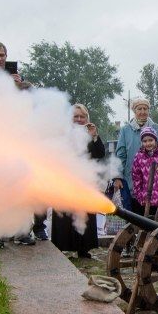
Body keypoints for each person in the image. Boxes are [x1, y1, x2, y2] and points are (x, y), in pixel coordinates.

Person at [0, 40, 42, 244]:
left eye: (2, 55)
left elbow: (34, 103)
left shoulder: (19, 79)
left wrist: (20, 86)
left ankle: (22, 231)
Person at [52, 104, 106, 259]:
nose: (79, 119)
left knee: (85, 214)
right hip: (66, 180)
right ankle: (63, 247)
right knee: (65, 214)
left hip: (86, 180)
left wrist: (94, 137)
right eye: (76, 116)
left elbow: (99, 154)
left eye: (82, 116)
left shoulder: (90, 133)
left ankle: (84, 248)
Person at [114, 98, 158, 212]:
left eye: (145, 109)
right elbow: (120, 155)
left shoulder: (157, 128)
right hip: (131, 179)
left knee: (153, 214)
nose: (142, 112)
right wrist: (117, 176)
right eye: (139, 109)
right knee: (134, 212)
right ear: (134, 111)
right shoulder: (125, 130)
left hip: (154, 179)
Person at [131, 126, 158, 218]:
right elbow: (136, 179)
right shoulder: (139, 157)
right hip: (147, 200)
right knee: (148, 224)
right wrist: (139, 196)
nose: (148, 143)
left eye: (150, 140)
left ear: (156, 140)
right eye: (145, 141)